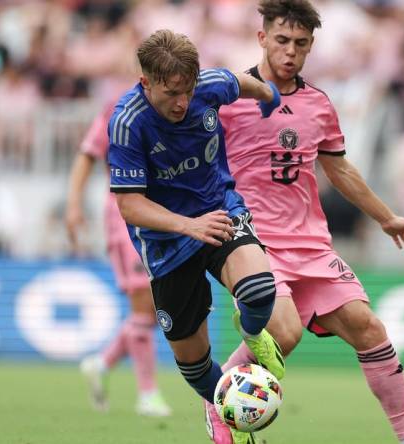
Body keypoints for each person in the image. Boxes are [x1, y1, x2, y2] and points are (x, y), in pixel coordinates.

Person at [211, 2, 404, 444]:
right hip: (253, 241)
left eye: (300, 44)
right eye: (281, 40)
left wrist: (386, 218)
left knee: (369, 328)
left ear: (311, 46)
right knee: (284, 334)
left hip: (310, 243)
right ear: (262, 38)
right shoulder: (229, 96)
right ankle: (218, 401)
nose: (290, 51)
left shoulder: (317, 104)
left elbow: (340, 169)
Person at [106, 29, 285, 436]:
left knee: (258, 291)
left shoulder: (208, 86)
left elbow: (241, 82)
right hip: (168, 243)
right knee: (194, 367)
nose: (183, 102)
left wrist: (269, 97)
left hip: (218, 210)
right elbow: (129, 205)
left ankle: (252, 330)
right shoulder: (128, 123)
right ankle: (230, 415)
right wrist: (189, 226)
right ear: (145, 82)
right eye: (172, 93)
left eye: (187, 90)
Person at [67, 103, 172, 417]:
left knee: (155, 310)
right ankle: (147, 394)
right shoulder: (116, 109)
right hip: (126, 216)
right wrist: (74, 206)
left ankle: (101, 364)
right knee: (144, 304)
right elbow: (87, 155)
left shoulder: (173, 107)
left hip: (161, 216)